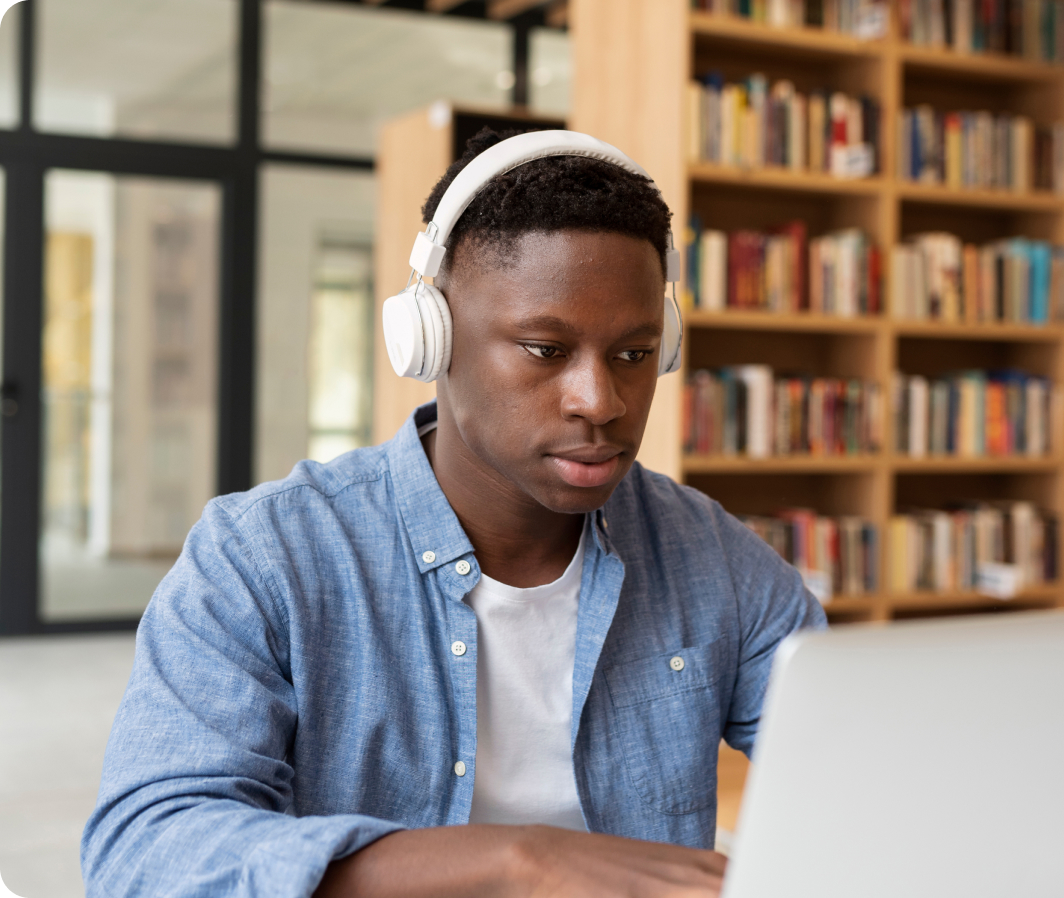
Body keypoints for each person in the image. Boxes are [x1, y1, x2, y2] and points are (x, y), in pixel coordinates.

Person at [80, 128, 825, 898]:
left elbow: (862, 763)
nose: (600, 402)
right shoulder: (263, 557)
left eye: (635, 354)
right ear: (429, 338)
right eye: (544, 348)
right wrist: (519, 862)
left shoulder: (709, 552)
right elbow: (147, 852)